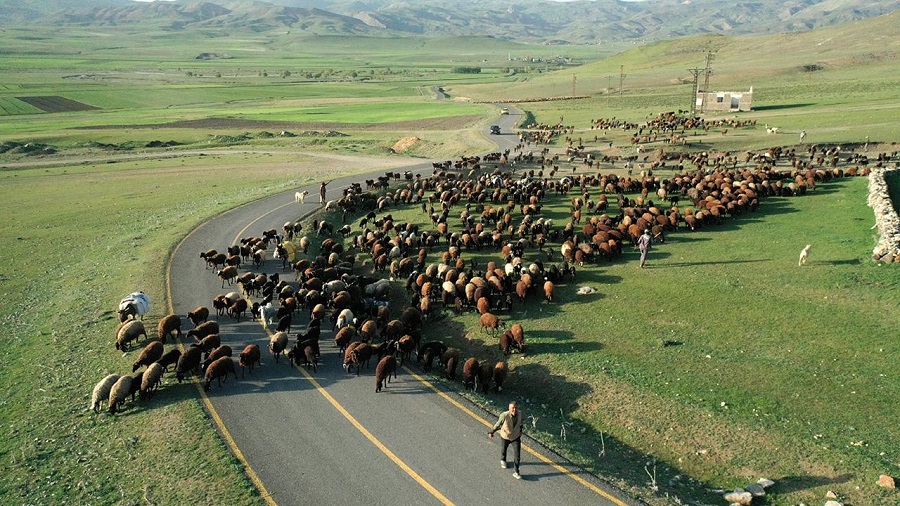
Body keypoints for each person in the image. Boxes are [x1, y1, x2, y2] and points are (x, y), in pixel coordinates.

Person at [488, 401, 524, 479]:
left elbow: (521, 423)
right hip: (505, 436)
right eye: (512, 408)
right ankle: (503, 460)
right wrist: (492, 431)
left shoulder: (520, 414)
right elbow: (498, 424)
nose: (514, 410)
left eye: (516, 408)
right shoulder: (504, 415)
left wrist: (520, 432)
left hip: (515, 436)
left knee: (517, 455)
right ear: (509, 408)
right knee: (504, 448)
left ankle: (516, 472)